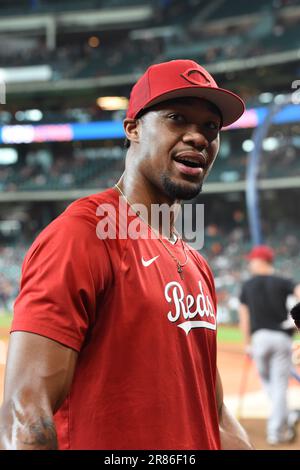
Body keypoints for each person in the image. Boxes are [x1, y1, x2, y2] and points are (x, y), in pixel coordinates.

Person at [0, 59, 252, 450]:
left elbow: (212, 414)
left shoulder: (197, 263)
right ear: (132, 128)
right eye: (177, 118)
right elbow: (25, 414)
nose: (199, 137)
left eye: (210, 127)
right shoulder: (81, 235)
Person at [239, 245, 300, 446]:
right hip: (282, 338)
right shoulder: (283, 281)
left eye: (252, 260)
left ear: (261, 261)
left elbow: (244, 316)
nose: (250, 263)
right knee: (279, 386)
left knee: (270, 385)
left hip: (260, 340)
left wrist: (246, 344)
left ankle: (278, 427)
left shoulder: (247, 285)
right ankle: (282, 424)